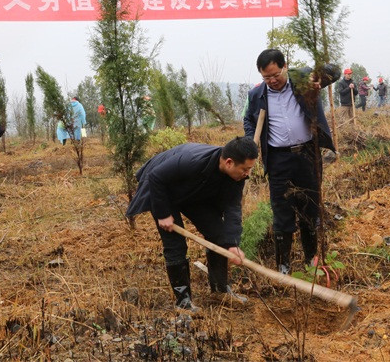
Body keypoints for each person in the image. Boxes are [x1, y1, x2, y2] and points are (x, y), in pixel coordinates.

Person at [125, 137, 258, 312]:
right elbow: (156, 177)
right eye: (245, 169)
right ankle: (183, 301)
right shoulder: (192, 161)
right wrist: (164, 213)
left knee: (219, 234)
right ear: (229, 162)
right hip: (162, 189)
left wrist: (232, 244)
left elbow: (232, 208)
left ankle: (219, 290)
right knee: (176, 244)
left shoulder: (237, 177)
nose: (247, 174)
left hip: (192, 192)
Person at [243, 49, 341, 274]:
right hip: (278, 158)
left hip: (307, 154)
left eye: (275, 75)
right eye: (266, 77)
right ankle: (283, 265)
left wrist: (319, 78)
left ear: (284, 66)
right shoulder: (256, 95)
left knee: (310, 205)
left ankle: (311, 259)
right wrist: (252, 141)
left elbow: (334, 71)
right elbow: (249, 120)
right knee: (282, 210)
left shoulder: (301, 79)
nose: (272, 81)